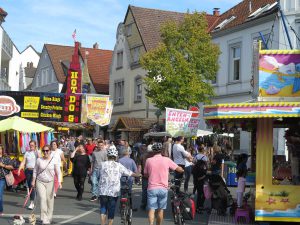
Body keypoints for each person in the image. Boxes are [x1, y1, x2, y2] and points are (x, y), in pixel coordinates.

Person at [98, 145, 140, 225]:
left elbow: (97, 175)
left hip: (103, 190)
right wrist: (138, 175)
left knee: (103, 207)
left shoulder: (102, 165)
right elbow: (130, 173)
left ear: (107, 155)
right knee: (111, 208)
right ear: (116, 156)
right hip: (114, 191)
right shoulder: (118, 166)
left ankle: (102, 223)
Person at [144, 142, 184, 225]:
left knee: (152, 209)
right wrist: (182, 169)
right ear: (161, 150)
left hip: (152, 187)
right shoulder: (167, 160)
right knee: (160, 209)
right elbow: (178, 169)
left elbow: (145, 174)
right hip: (163, 188)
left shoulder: (148, 160)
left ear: (153, 151)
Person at [32, 145, 62, 225]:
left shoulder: (54, 160)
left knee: (50, 200)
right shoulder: (39, 160)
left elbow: (58, 172)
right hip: (40, 181)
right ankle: (44, 218)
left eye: (47, 150)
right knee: (42, 198)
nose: (45, 152)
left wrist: (59, 182)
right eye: (44, 151)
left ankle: (49, 217)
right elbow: (35, 170)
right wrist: (33, 180)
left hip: (50, 182)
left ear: (50, 151)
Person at [18, 140, 41, 210]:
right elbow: (23, 162)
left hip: (35, 171)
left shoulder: (37, 152)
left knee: (32, 186)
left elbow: (40, 159)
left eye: (32, 145)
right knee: (30, 186)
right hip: (28, 171)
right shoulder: (27, 153)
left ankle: (32, 202)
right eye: (30, 145)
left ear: (35, 145)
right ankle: (33, 200)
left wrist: (36, 150)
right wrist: (19, 169)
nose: (31, 146)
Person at [192, 146, 209, 212]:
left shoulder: (196, 156)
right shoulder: (205, 157)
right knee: (202, 192)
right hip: (202, 175)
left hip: (196, 174)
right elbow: (206, 165)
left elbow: (193, 162)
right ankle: (200, 206)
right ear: (203, 150)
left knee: (198, 189)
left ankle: (194, 193)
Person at [0, 144, 14, 215]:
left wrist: (3, 165)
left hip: (2, 179)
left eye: (0, 149)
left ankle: (0, 210)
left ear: (2, 150)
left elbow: (12, 167)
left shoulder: (6, 158)